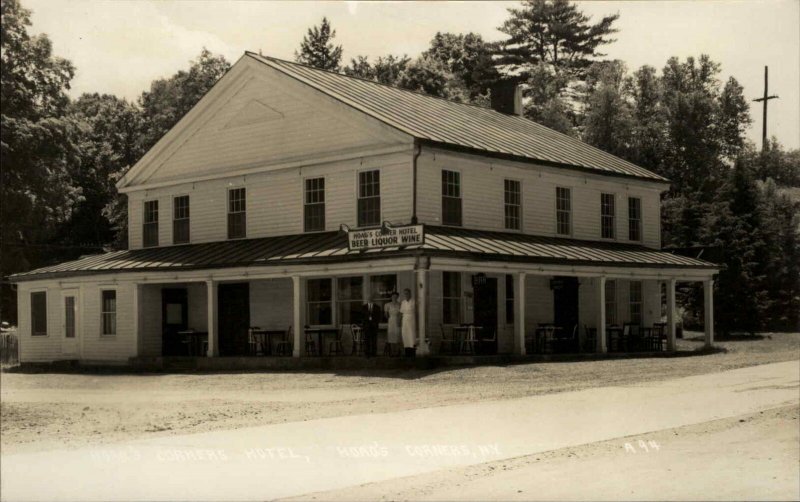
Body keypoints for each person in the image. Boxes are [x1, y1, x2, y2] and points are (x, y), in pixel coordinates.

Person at [361, 293, 382, 357]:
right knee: (367, 340)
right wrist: (364, 324)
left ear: (373, 299)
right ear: (367, 299)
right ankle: (367, 353)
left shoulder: (377, 307)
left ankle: (374, 353)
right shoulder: (363, 307)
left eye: (371, 298)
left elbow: (379, 317)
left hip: (374, 326)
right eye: (368, 298)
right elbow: (362, 317)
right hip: (367, 326)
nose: (370, 299)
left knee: (374, 340)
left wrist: (375, 323)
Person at [399, 288, 417, 357]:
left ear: (410, 294)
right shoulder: (403, 302)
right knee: (405, 335)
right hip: (405, 320)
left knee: (411, 336)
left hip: (411, 319)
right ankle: (407, 354)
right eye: (405, 293)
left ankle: (413, 353)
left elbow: (417, 312)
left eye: (407, 293)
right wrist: (399, 321)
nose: (406, 295)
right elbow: (401, 313)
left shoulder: (413, 301)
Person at [384, 292, 402, 356]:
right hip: (391, 321)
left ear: (397, 297)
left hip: (397, 320)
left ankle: (397, 352)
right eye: (393, 296)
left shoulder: (400, 304)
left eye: (396, 297)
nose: (394, 298)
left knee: (397, 336)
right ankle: (392, 352)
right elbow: (386, 315)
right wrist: (387, 315)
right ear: (391, 297)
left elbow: (401, 314)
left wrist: (399, 321)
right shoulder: (387, 305)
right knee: (391, 336)